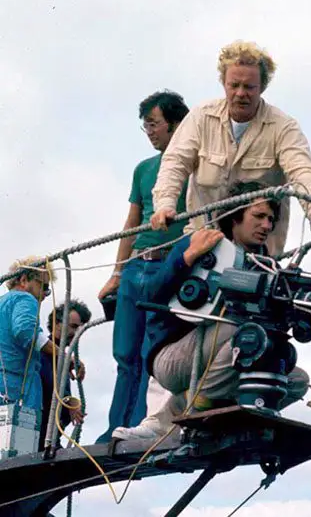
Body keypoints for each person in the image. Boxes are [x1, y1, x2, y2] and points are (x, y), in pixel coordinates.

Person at [112, 181, 309, 440]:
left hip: (225, 357)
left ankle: (220, 413)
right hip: (173, 359)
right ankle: (186, 409)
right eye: (259, 216)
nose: (267, 226)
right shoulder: (201, 241)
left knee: (294, 379)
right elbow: (149, 295)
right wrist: (186, 258)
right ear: (234, 215)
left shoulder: (267, 265)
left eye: (271, 219)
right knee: (241, 327)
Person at [150, 40, 311, 258]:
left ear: (262, 87)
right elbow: (175, 163)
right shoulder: (200, 117)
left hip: (258, 255)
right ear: (223, 83)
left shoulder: (284, 127)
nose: (240, 93)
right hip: (202, 244)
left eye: (249, 87)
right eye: (233, 85)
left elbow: (303, 174)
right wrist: (164, 204)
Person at [95, 90, 191, 443]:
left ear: (176, 124)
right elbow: (132, 222)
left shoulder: (195, 166)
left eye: (153, 124)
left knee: (153, 351)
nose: (149, 131)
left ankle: (139, 425)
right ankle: (112, 429)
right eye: (145, 126)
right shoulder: (143, 169)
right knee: (125, 351)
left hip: (169, 267)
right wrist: (117, 272)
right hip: (137, 266)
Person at [0, 258, 60, 416]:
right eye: (44, 286)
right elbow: (25, 330)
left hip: (4, 385)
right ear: (24, 280)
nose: (46, 294)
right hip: (17, 388)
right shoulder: (25, 298)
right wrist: (61, 354)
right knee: (21, 439)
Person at [39, 300, 91, 450]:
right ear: (56, 323)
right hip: (38, 440)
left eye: (80, 329)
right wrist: (69, 402)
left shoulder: (62, 359)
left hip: (49, 440)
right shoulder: (43, 353)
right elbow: (47, 387)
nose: (76, 333)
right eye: (73, 327)